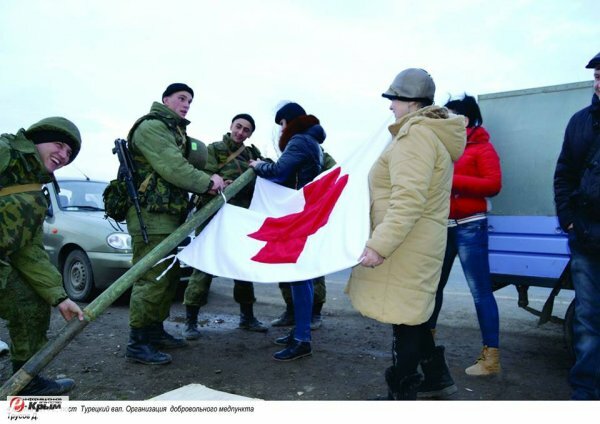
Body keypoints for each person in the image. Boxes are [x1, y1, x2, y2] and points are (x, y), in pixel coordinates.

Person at [345, 68, 466, 400]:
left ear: (411, 102)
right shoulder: (429, 134)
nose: (390, 107)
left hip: (405, 245)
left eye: (394, 99)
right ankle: (437, 377)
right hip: (416, 242)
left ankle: (401, 394)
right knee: (412, 315)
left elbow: (408, 199)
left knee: (405, 320)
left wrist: (379, 245)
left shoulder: (415, 136)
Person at [125, 83, 226, 365]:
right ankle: (138, 342)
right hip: (151, 216)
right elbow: (173, 167)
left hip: (169, 214)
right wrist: (207, 182)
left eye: (190, 101)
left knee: (166, 278)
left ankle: (154, 332)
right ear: (165, 99)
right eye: (181, 98)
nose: (186, 104)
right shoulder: (152, 127)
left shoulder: (173, 131)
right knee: (150, 278)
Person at [0, 117, 85, 395]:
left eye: (69, 153)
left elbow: (29, 250)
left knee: (31, 299)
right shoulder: (6, 152)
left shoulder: (37, 193)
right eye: (58, 145)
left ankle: (26, 381)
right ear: (36, 141)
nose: (63, 155)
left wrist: (59, 297)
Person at [424, 94, 502, 390]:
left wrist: (451, 180)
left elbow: (493, 185)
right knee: (433, 287)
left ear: (464, 120)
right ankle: (425, 348)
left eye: (449, 116)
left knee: (480, 292)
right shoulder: (443, 147)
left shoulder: (483, 148)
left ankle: (491, 358)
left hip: (471, 227)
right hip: (442, 226)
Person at [249, 102, 325, 361]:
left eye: (282, 123)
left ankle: (303, 338)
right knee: (300, 276)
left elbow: (280, 173)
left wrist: (258, 166)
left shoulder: (299, 140)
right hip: (304, 213)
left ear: (289, 121)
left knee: (299, 276)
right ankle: (299, 332)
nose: (281, 129)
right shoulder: (313, 141)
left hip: (296, 215)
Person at [182, 113, 269, 339]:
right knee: (204, 265)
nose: (241, 132)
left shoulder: (252, 154)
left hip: (240, 217)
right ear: (231, 126)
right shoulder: (214, 149)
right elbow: (203, 173)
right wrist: (219, 180)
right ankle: (190, 321)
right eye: (238, 127)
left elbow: (268, 172)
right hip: (214, 215)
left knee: (242, 268)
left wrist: (261, 165)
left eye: (246, 130)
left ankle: (247, 317)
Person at [554, 51, 600, 400]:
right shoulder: (580, 121)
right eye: (597, 76)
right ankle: (585, 394)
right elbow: (564, 174)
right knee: (587, 320)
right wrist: (568, 219)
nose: (599, 83)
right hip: (586, 238)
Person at [270, 148, 336, 330]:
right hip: (290, 219)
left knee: (312, 267)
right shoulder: (288, 156)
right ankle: (291, 311)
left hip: (312, 219)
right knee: (286, 265)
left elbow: (335, 175)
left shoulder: (322, 156)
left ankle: (315, 313)